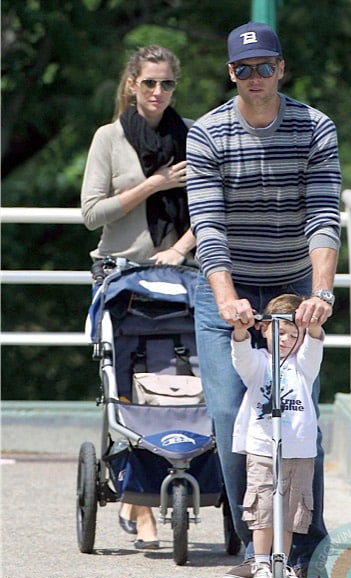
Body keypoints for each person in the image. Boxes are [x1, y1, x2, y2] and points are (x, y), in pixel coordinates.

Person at [186, 21, 341, 578]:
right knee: (233, 419)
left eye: (265, 67)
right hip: (226, 288)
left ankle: (305, 548)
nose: (255, 78)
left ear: (281, 68)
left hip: (293, 283)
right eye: (244, 70)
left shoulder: (314, 127)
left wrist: (319, 294)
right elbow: (210, 225)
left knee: (300, 420)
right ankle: (255, 543)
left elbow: (323, 214)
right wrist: (226, 297)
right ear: (231, 74)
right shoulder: (206, 134)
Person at [81, 45, 196, 550]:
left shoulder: (193, 135)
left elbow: (209, 212)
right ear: (132, 84)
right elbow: (92, 213)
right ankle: (139, 499)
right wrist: (153, 185)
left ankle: (161, 484)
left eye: (166, 84)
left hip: (182, 274)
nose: (157, 93)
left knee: (179, 378)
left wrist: (180, 249)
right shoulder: (108, 138)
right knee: (125, 379)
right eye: (149, 83)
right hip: (122, 275)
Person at [231, 294, 324, 578]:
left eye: (293, 335)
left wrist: (314, 325)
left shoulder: (302, 367)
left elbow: (314, 345)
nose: (286, 340)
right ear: (265, 330)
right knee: (263, 508)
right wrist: (240, 330)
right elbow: (241, 356)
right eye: (280, 332)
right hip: (262, 446)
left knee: (289, 510)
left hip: (297, 448)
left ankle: (281, 563)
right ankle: (260, 564)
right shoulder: (258, 363)